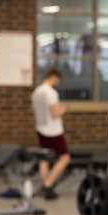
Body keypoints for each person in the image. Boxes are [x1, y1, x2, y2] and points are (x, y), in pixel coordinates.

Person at [31, 68, 70, 200]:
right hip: (53, 131)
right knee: (65, 158)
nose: (57, 82)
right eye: (57, 80)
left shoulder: (36, 91)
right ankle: (48, 185)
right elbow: (54, 113)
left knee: (44, 158)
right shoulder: (51, 92)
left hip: (41, 129)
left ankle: (45, 185)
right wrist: (63, 109)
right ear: (53, 77)